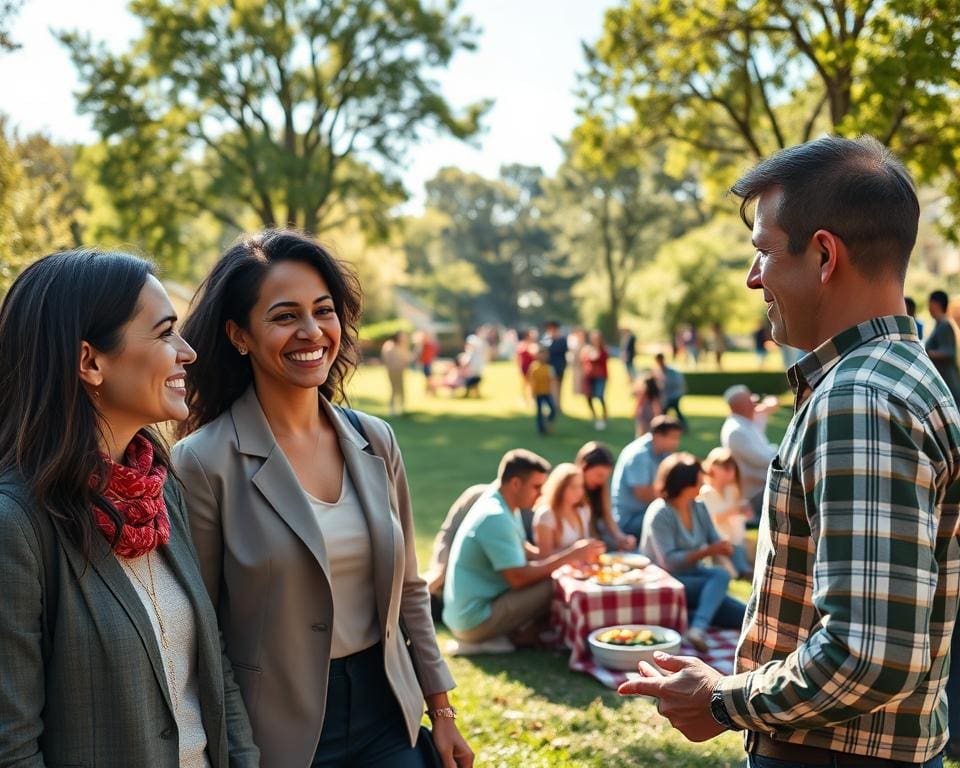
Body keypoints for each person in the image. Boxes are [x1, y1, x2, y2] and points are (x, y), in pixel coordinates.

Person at [620, 136, 960, 768]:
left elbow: (869, 652)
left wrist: (722, 699)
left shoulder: (858, 398)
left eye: (765, 253)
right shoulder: (900, 374)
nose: (754, 279)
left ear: (825, 254)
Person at [173, 230, 472, 768]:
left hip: (388, 714)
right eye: (285, 316)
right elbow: (202, 629)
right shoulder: (203, 462)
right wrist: (236, 748)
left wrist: (441, 712)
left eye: (323, 310)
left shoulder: (376, 440)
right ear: (239, 335)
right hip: (277, 736)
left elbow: (408, 589)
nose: (311, 332)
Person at [0, 250, 259, 767]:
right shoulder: (16, 526)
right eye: (164, 333)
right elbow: (12, 745)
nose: (186, 352)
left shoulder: (161, 492)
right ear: (90, 361)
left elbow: (214, 666)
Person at [442, 450, 604, 652]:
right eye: (536, 487)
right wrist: (570, 556)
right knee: (554, 584)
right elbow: (518, 579)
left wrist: (563, 556)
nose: (542, 493)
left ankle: (533, 632)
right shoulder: (495, 517)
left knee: (558, 576)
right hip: (473, 621)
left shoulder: (502, 502)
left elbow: (521, 547)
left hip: (469, 612)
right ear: (516, 484)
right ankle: (543, 635)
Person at [640, 453, 746, 652]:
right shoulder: (661, 513)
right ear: (684, 485)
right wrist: (708, 551)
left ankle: (695, 618)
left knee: (746, 615)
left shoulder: (698, 507)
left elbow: (712, 537)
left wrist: (722, 546)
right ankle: (697, 627)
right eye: (698, 481)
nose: (703, 484)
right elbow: (669, 562)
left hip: (696, 579)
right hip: (668, 582)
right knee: (718, 578)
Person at [610, 416, 683, 540]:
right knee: (674, 515)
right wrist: (678, 496)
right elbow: (642, 495)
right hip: (629, 520)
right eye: (673, 438)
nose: (676, 442)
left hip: (645, 512)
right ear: (658, 436)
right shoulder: (639, 456)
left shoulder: (663, 452)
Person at [719, 384, 779, 521]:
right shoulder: (736, 431)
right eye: (750, 400)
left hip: (765, 484)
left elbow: (769, 408)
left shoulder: (744, 422)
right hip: (756, 492)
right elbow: (763, 460)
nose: (755, 402)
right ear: (742, 405)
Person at [699, 447, 752, 578]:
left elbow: (742, 514)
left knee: (742, 547)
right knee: (734, 552)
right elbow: (714, 519)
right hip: (718, 540)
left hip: (735, 537)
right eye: (726, 468)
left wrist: (745, 511)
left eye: (732, 468)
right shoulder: (706, 493)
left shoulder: (732, 490)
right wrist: (734, 510)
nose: (730, 472)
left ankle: (744, 569)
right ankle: (742, 571)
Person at [575, 441, 636, 551]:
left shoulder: (600, 488)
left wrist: (621, 538)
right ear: (583, 468)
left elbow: (607, 516)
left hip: (595, 539)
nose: (602, 480)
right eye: (598, 475)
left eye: (605, 476)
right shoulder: (573, 492)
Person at [532, 463, 600, 556]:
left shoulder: (583, 511)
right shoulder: (546, 515)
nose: (579, 491)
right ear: (560, 488)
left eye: (581, 486)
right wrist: (574, 552)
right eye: (573, 487)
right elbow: (544, 555)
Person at [926, 289, 960, 404]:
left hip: (949, 382)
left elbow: (949, 352)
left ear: (935, 304)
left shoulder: (944, 325)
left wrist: (926, 352)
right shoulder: (940, 324)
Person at [581, 329, 610, 430]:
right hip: (590, 377)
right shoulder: (588, 349)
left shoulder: (603, 350)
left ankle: (604, 416)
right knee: (589, 397)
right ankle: (594, 416)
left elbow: (599, 358)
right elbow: (585, 361)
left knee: (599, 395)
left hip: (600, 376)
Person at [653, 352, 687, 430]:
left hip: (673, 396)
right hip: (666, 397)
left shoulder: (671, 371)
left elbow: (677, 384)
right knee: (667, 412)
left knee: (669, 412)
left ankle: (662, 427)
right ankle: (662, 427)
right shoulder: (657, 371)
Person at [527, 347, 556, 435]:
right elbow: (530, 380)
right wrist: (531, 393)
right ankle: (541, 430)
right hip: (538, 393)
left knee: (553, 409)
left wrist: (553, 392)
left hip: (547, 392)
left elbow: (552, 381)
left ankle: (548, 422)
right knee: (539, 412)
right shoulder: (534, 366)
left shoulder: (549, 368)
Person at [381, 330, 410, 415]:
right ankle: (392, 408)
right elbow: (387, 358)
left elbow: (406, 358)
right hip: (392, 370)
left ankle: (402, 408)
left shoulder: (402, 346)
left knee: (401, 388)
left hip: (400, 370)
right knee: (394, 389)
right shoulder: (389, 345)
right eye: (402, 336)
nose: (403, 338)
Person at [541, 321, 569, 412]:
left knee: (559, 386)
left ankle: (558, 405)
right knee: (553, 386)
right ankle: (555, 405)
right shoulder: (547, 340)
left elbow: (563, 351)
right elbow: (543, 352)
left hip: (560, 365)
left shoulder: (562, 340)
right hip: (551, 366)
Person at [633, 373, 663, 437]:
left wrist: (636, 411)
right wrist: (657, 415)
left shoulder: (644, 392)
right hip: (651, 414)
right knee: (650, 430)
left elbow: (639, 402)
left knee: (641, 431)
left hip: (644, 413)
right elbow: (656, 406)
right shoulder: (655, 392)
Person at [516, 328, 538, 404]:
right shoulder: (522, 344)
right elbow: (518, 357)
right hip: (524, 366)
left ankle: (532, 398)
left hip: (532, 367)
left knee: (532, 384)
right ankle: (524, 399)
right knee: (524, 384)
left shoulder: (533, 345)